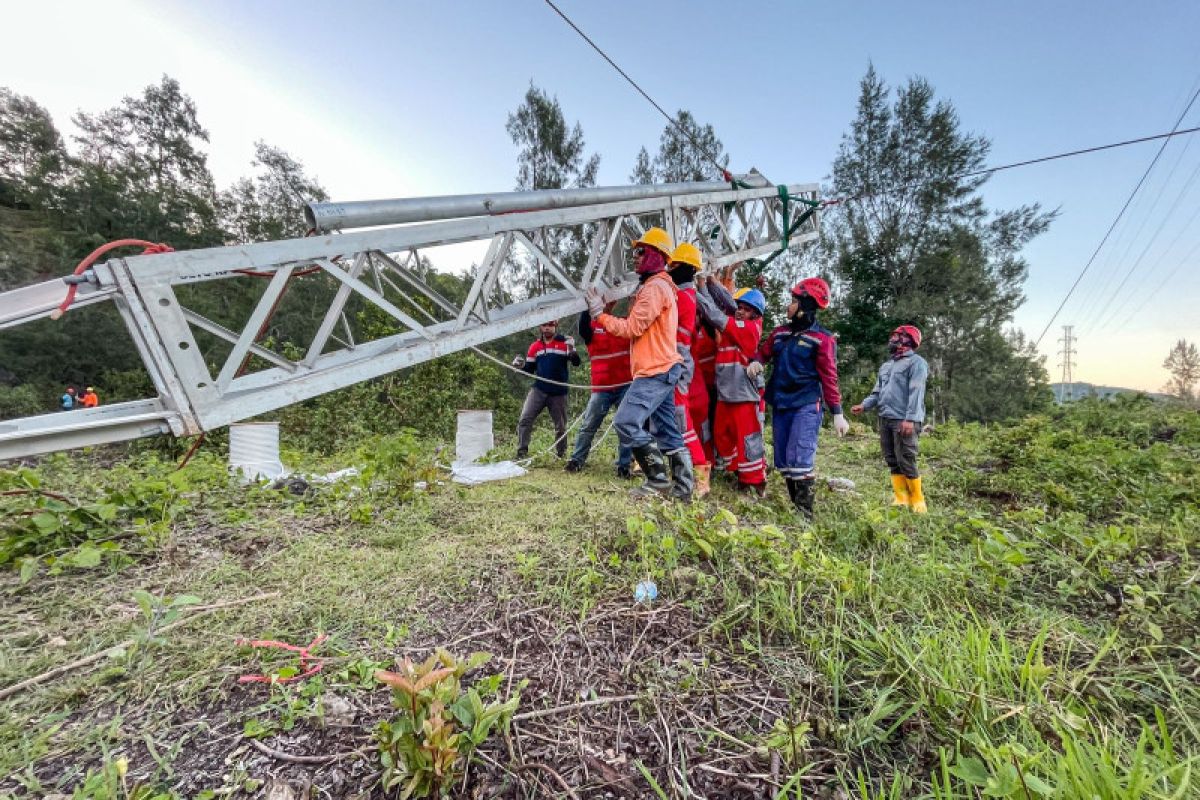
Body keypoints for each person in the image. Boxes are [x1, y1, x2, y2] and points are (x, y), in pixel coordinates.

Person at [585, 226, 693, 501]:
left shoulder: (655, 288)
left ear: (657, 255)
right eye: (635, 251)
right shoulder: (657, 286)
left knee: (626, 422)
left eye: (640, 251)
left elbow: (632, 328)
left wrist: (599, 315)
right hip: (664, 368)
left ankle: (657, 480)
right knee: (668, 431)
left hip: (655, 371)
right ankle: (683, 491)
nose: (635, 257)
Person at [755, 277, 848, 516]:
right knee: (784, 460)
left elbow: (829, 377)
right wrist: (756, 363)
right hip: (781, 403)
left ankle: (805, 515)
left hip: (806, 404)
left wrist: (837, 413)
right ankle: (796, 509)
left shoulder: (822, 340)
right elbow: (763, 354)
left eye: (794, 301)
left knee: (800, 458)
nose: (789, 306)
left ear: (805, 305)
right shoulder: (779, 334)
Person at [695, 276, 768, 496]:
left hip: (744, 397)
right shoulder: (736, 324)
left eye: (746, 309)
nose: (740, 311)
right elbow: (728, 303)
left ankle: (754, 482)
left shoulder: (749, 329)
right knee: (722, 436)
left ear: (755, 314)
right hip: (727, 394)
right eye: (740, 308)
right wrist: (709, 284)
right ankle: (737, 469)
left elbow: (716, 314)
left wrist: (692, 290)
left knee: (749, 440)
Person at [851, 325, 929, 513]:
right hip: (885, 418)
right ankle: (901, 498)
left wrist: (910, 419)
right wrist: (864, 405)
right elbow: (877, 393)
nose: (892, 339)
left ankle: (918, 501)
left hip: (904, 420)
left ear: (908, 340)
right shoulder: (886, 366)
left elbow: (916, 392)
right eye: (893, 336)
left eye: (897, 336)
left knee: (906, 458)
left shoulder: (916, 363)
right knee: (892, 458)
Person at [565, 302, 634, 477]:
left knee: (626, 426)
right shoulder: (591, 328)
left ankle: (624, 465)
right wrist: (585, 304)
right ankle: (577, 460)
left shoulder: (623, 324)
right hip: (601, 388)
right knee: (589, 425)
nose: (607, 303)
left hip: (625, 385)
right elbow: (582, 327)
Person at [666, 242, 711, 498]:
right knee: (668, 420)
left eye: (672, 265)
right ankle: (678, 472)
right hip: (676, 364)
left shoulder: (681, 296)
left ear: (683, 267)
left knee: (682, 422)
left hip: (677, 366)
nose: (668, 269)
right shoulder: (684, 294)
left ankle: (701, 475)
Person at [513, 320, 580, 459]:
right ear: (540, 327)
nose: (547, 328)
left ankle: (561, 454)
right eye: (544, 325)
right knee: (525, 419)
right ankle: (521, 452)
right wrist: (519, 366)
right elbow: (529, 370)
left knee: (560, 427)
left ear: (556, 326)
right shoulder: (535, 346)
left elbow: (576, 362)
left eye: (550, 325)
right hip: (539, 389)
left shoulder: (565, 342)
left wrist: (572, 350)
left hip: (558, 391)